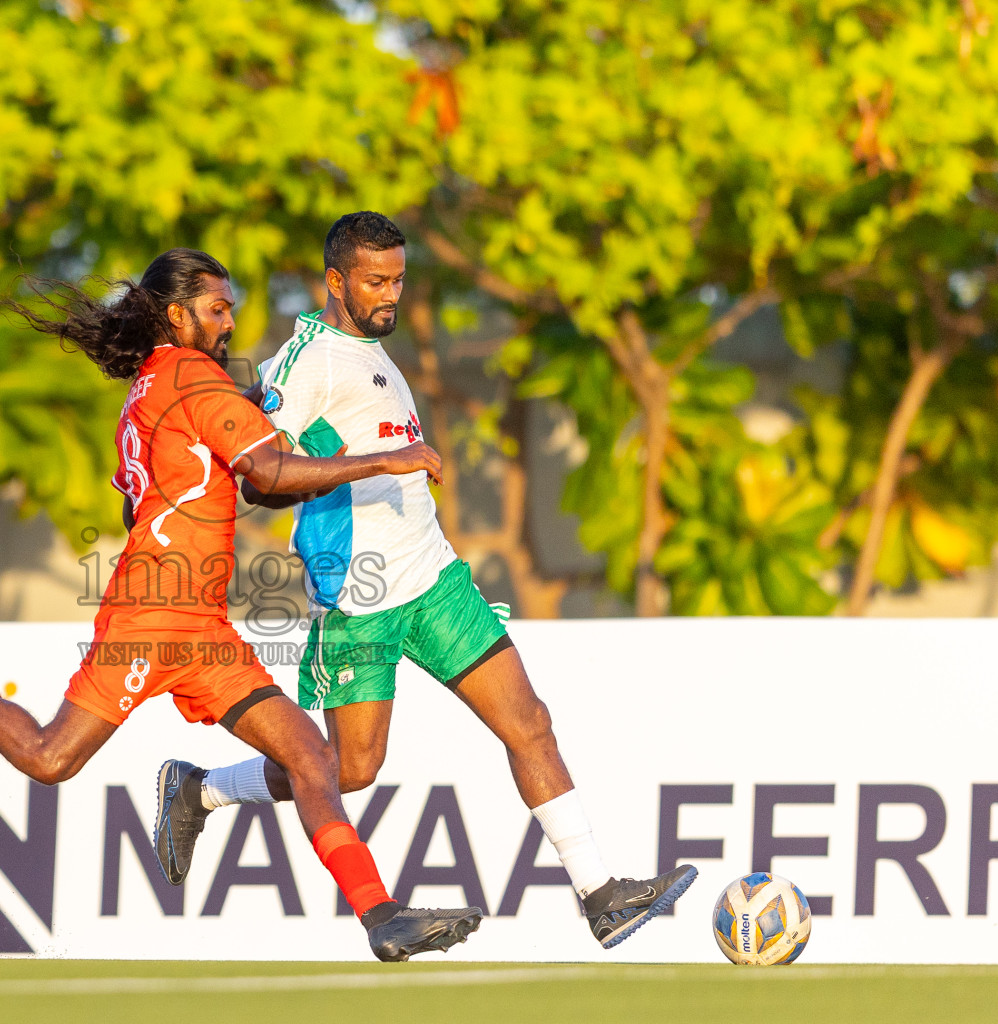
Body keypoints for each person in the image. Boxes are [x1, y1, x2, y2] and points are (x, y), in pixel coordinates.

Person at [0, 248, 482, 961]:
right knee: (50, 757)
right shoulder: (192, 375)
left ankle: (381, 917)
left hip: (200, 628)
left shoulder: (151, 384)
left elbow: (143, 503)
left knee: (312, 757)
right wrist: (382, 459)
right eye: (218, 309)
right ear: (176, 313)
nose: (228, 323)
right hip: (150, 619)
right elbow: (271, 472)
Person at [154, 217, 696, 950]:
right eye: (375, 281)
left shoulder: (374, 353)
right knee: (351, 769)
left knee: (528, 721)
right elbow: (260, 483)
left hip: (436, 582)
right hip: (360, 599)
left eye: (398, 279)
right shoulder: (303, 363)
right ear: (336, 282)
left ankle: (601, 895)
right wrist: (380, 463)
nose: (389, 294)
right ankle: (201, 789)